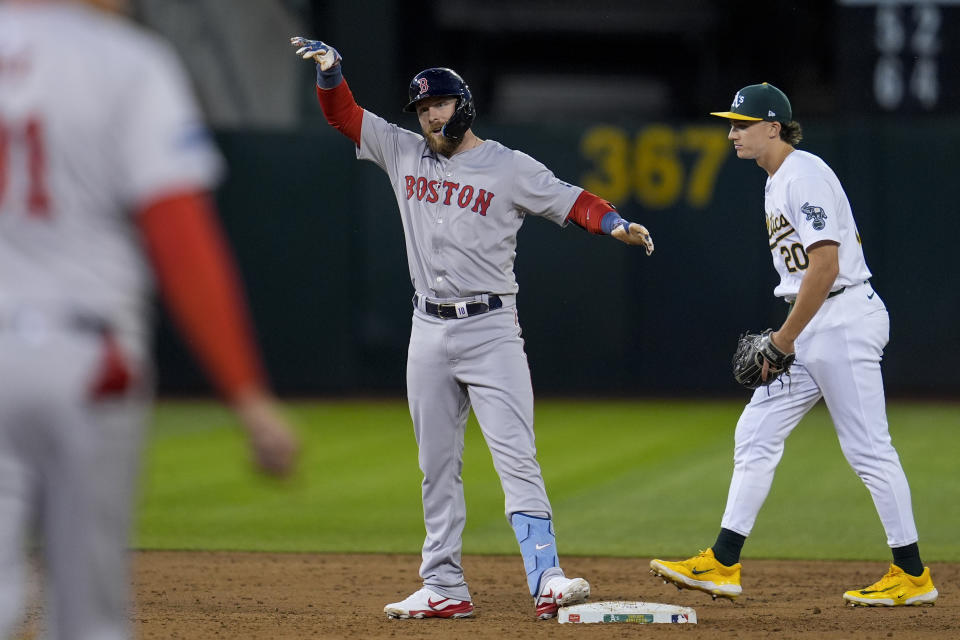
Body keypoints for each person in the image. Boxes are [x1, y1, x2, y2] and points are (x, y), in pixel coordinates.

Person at [290, 37, 654, 620]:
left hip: (491, 329)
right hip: (427, 330)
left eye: (439, 103)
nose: (431, 116)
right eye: (423, 108)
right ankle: (443, 586)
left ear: (463, 103)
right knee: (436, 466)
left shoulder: (507, 166)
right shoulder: (403, 151)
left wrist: (613, 222)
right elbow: (344, 116)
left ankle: (547, 579)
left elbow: (570, 199)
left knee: (516, 456)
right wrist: (332, 72)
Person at [0, 1, 299, 638]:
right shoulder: (126, 60)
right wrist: (247, 396)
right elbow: (179, 237)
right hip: (86, 361)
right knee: (88, 617)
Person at [649, 83, 937, 607]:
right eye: (731, 123)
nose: (732, 132)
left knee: (869, 450)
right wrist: (792, 337)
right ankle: (722, 561)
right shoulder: (779, 179)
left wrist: (781, 341)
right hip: (816, 325)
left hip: (842, 321)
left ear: (773, 127)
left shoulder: (802, 175)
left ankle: (912, 574)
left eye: (742, 123)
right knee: (755, 430)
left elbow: (826, 266)